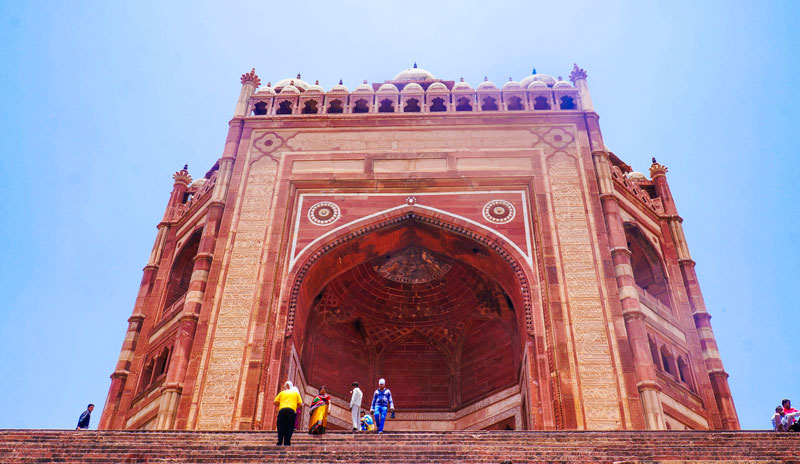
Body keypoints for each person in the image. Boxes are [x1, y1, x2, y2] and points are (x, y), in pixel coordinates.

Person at [273, 380, 303, 446]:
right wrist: (294, 406)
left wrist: (282, 404)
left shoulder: (282, 393)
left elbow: (275, 402)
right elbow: (300, 404)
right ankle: (287, 442)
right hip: (291, 410)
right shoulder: (296, 393)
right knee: (290, 426)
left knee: (281, 426)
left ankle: (280, 441)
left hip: (282, 410)